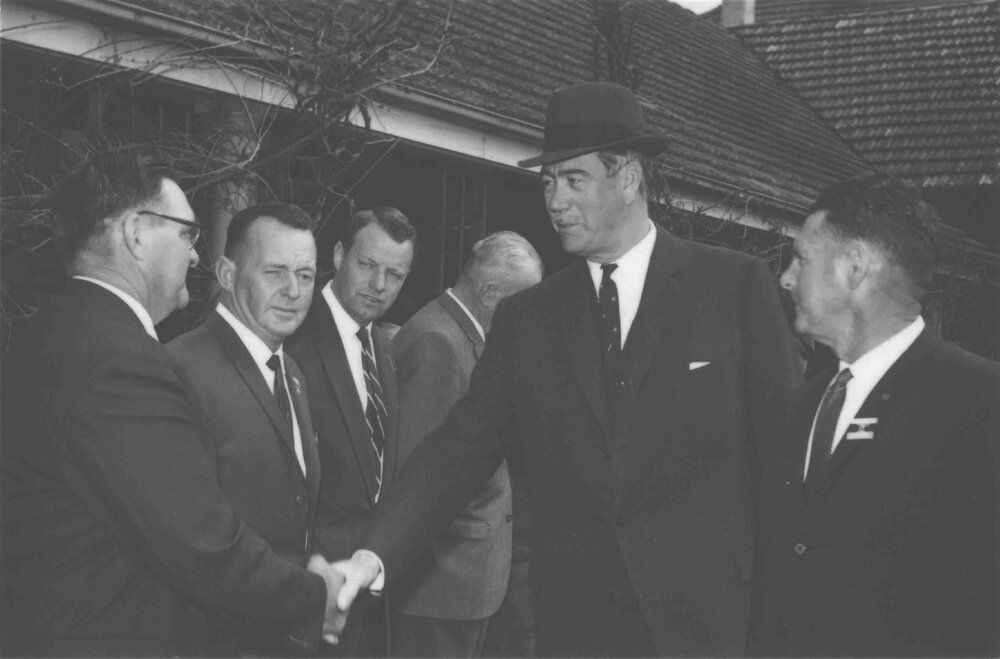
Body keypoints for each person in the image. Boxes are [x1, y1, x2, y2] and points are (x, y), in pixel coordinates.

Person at [329, 81, 802, 656]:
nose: (555, 200)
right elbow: (459, 448)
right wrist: (373, 554)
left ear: (629, 179)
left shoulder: (732, 287)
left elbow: (786, 459)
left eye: (574, 179)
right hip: (578, 630)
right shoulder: (529, 318)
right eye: (549, 182)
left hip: (708, 628)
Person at [0, 153, 344, 657]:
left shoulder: (61, 331)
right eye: (187, 234)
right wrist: (315, 595)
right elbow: (201, 543)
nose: (196, 256)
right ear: (136, 234)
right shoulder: (120, 362)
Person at [749, 174, 1000, 657]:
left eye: (802, 259)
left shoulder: (981, 399)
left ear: (855, 267)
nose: (786, 278)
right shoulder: (800, 405)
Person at [167, 202, 324, 654]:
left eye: (306, 275)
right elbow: (188, 538)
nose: (293, 290)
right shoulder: (181, 368)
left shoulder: (292, 373)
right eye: (275, 272)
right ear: (227, 274)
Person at [391, 231, 543, 656]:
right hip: (440, 589)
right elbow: (419, 479)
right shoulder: (438, 342)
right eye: (525, 303)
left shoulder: (460, 335)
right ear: (491, 293)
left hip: (460, 582)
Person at [285, 206, 416, 656]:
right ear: (339, 255)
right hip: (307, 593)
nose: (379, 285)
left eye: (395, 275)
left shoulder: (381, 345)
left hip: (366, 594)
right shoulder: (292, 333)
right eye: (368, 265)